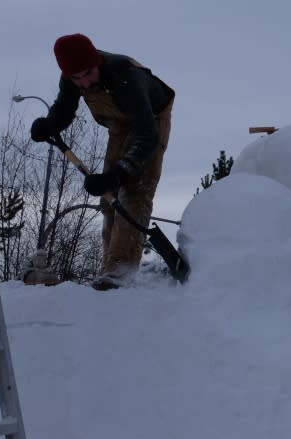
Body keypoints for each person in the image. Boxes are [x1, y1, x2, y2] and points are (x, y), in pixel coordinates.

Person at [30, 34, 175, 291]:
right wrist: (49, 124)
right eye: (77, 78)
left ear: (96, 62)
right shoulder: (72, 77)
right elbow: (64, 109)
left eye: (88, 73)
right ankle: (109, 268)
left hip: (151, 119)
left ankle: (120, 272)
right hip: (119, 125)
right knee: (109, 198)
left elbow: (147, 136)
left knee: (134, 190)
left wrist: (119, 173)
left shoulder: (126, 76)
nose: (84, 82)